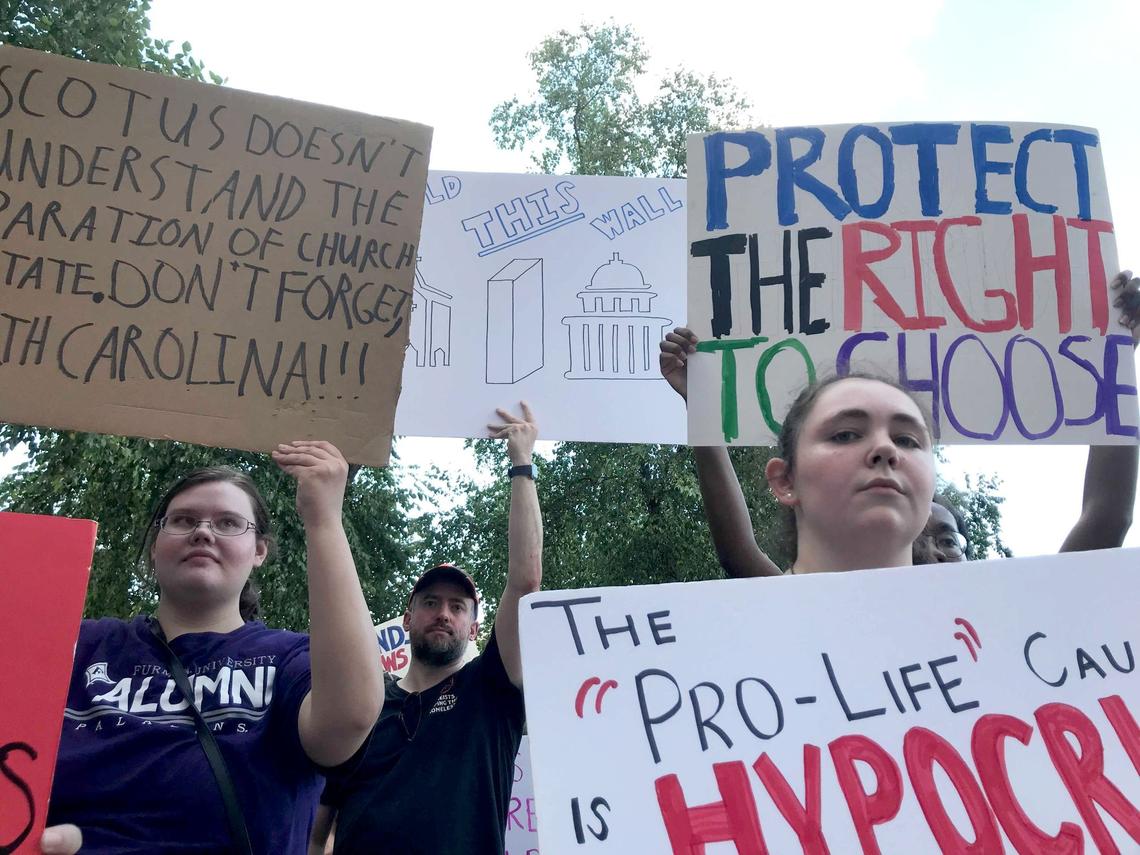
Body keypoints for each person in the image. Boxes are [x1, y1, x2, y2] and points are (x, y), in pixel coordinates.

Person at [660, 269, 1140, 573]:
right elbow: (737, 552)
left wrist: (1118, 364)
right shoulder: (766, 613)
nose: (885, 449)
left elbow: (1106, 519)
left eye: (910, 440)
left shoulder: (1002, 627)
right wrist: (701, 407)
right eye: (845, 433)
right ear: (785, 481)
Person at [42, 440, 384, 855]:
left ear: (259, 551)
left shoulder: (289, 660)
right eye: (184, 520)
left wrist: (324, 518)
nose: (203, 531)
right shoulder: (78, 645)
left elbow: (348, 719)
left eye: (228, 523)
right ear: (155, 546)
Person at [312, 402, 543, 855]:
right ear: (406, 619)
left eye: (458, 606)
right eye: (431, 602)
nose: (444, 613)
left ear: (474, 627)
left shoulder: (490, 690)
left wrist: (522, 464)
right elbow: (316, 833)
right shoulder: (362, 705)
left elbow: (525, 580)